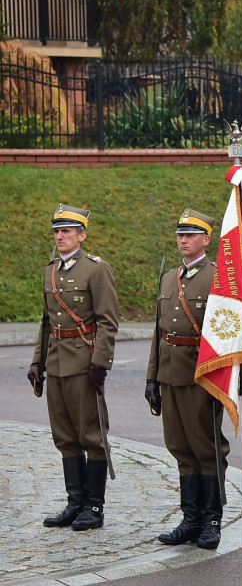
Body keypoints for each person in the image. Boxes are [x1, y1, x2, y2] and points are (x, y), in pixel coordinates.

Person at [28, 204, 119, 531]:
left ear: (82, 235)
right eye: (56, 231)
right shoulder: (50, 270)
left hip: (84, 363)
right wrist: (37, 361)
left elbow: (108, 321)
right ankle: (75, 502)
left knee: (91, 436)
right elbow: (46, 323)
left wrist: (100, 363)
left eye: (66, 231)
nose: (59, 236)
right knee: (65, 436)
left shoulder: (96, 270)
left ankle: (94, 507)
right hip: (56, 362)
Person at [145, 209, 230, 550]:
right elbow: (159, 332)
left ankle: (211, 520)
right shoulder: (170, 278)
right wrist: (152, 377)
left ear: (206, 239)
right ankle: (190, 518)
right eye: (181, 234)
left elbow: (228, 332)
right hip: (170, 373)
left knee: (206, 447)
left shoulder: (218, 278)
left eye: (191, 234)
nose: (184, 239)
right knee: (180, 446)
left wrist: (222, 380)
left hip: (201, 375)